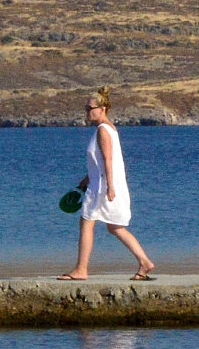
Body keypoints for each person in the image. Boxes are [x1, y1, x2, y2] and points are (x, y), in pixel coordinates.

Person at [62, 87, 155, 281]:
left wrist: (110, 187)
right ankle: (144, 262)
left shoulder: (103, 130)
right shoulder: (109, 128)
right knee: (115, 227)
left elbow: (108, 160)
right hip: (102, 182)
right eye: (86, 108)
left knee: (87, 223)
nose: (88, 111)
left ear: (103, 108)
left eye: (91, 108)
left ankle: (81, 270)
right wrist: (87, 179)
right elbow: (100, 162)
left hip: (102, 186)